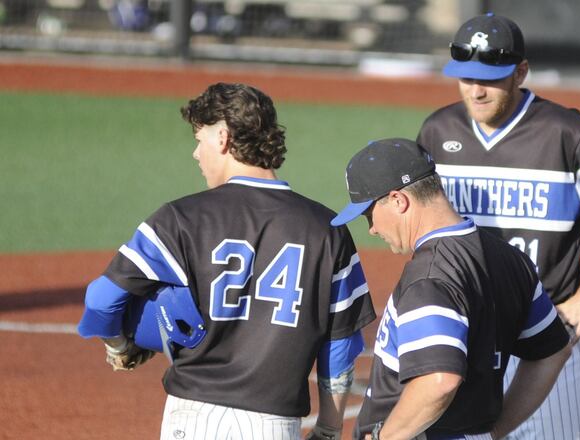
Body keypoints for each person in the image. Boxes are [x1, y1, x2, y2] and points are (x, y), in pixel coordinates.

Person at [77, 82, 376, 440]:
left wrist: (120, 347)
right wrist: (328, 427)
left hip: (192, 416)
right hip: (274, 426)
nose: (195, 153)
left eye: (199, 139)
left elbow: (101, 299)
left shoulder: (180, 218)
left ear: (223, 137)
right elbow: (340, 343)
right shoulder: (328, 231)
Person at [416, 13, 580, 439]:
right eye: (466, 78)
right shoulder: (437, 131)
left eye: (491, 78)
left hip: (544, 334)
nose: (476, 90)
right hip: (464, 336)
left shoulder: (567, 133)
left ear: (521, 72)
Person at [330, 138, 572, 440]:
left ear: (397, 200)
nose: (372, 229)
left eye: (369, 215)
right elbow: (553, 351)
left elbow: (440, 380)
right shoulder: (510, 258)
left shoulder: (429, 277)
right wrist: (494, 430)